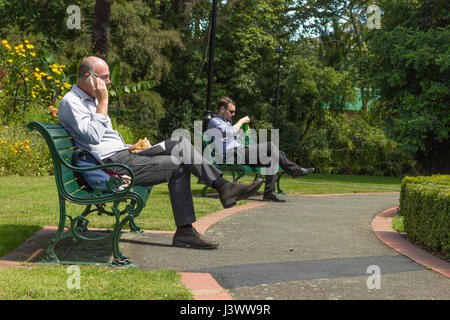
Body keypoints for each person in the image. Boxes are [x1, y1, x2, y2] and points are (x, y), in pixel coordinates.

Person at [58, 57, 263, 250]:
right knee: (178, 165)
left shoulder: (92, 100)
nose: (109, 82)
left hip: (123, 154)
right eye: (105, 78)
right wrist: (103, 102)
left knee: (180, 144)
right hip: (109, 164)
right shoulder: (72, 102)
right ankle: (187, 228)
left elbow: (103, 138)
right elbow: (93, 138)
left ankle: (223, 187)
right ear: (88, 78)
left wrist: (131, 146)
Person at [207, 96, 314, 202]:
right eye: (231, 111)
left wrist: (243, 135)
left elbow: (231, 139)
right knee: (270, 146)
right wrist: (241, 121)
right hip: (231, 155)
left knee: (269, 159)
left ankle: (269, 192)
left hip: (239, 152)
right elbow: (229, 133)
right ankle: (294, 170)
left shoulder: (227, 122)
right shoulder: (215, 121)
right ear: (222, 109)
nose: (233, 114)